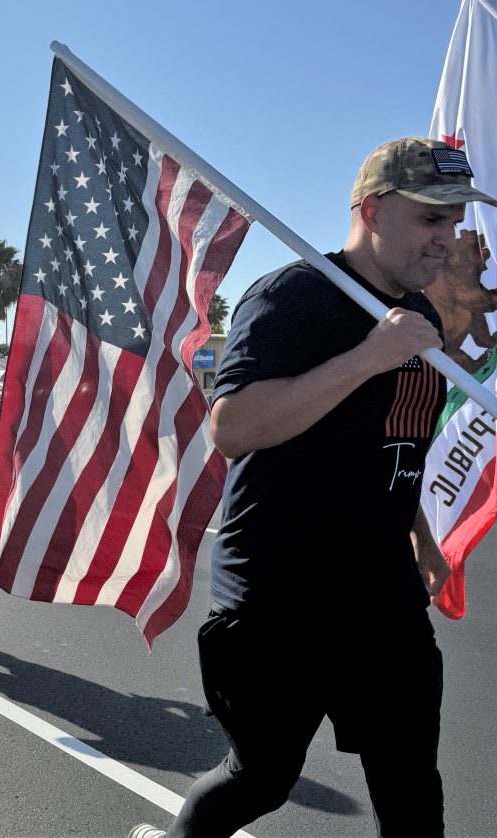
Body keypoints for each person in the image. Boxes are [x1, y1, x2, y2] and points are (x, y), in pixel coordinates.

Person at [131, 137, 497, 838]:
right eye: (430, 220)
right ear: (372, 210)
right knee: (262, 778)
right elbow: (233, 428)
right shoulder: (293, 298)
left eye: (453, 223)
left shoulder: (418, 313)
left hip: (383, 599)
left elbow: (394, 441)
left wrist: (420, 536)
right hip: (278, 601)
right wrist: (368, 357)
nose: (448, 240)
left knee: (411, 783)